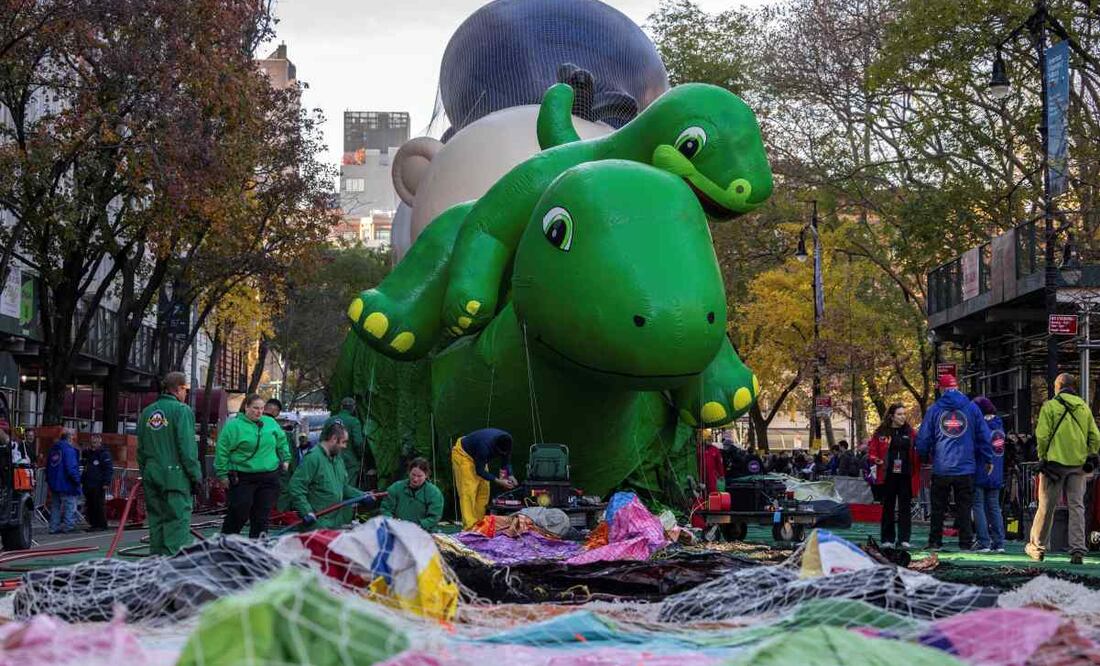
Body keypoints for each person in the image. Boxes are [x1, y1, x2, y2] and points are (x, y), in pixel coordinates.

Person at [1027, 373, 1100, 564]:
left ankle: (1038, 548)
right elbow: (1095, 436)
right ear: (1074, 388)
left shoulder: (1050, 407)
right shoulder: (1084, 408)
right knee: (1077, 506)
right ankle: (1077, 550)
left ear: (1057, 387)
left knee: (1046, 506)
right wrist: (1091, 454)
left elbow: (1042, 435)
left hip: (1054, 465)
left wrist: (1042, 457)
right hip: (1078, 465)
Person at [916, 375, 993, 551]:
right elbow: (984, 435)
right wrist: (987, 458)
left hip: (942, 467)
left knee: (938, 508)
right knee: (964, 508)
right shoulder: (972, 408)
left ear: (940, 388)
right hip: (966, 467)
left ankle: (935, 541)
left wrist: (923, 456)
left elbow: (923, 438)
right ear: (957, 386)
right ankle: (965, 543)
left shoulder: (934, 409)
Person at [138, 372, 203, 555]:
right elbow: (188, 449)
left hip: (152, 473)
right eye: (185, 390)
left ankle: (155, 568)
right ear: (178, 389)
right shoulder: (182, 411)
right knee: (177, 524)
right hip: (175, 476)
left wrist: (146, 471)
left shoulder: (147, 412)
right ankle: (173, 569)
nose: (186, 394)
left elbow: (140, 449)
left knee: (156, 523)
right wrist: (195, 476)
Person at [216, 393, 291, 538]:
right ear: (246, 407)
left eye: (262, 408)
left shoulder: (270, 423)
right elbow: (222, 450)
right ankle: (226, 543)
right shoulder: (234, 426)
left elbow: (282, 440)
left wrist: (286, 459)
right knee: (239, 512)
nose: (259, 412)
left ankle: (257, 548)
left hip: (268, 477)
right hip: (243, 476)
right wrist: (222, 474)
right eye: (255, 408)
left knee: (261, 516)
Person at [288, 422, 371, 529]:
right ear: (333, 438)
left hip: (336, 523)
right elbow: (296, 487)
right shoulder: (313, 458)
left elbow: (343, 487)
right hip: (318, 524)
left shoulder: (337, 459)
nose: (345, 446)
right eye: (343, 442)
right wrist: (306, 511)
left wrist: (362, 496)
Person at [868, 404, 921, 548]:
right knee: (888, 507)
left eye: (904, 414)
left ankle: (904, 539)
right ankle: (887, 539)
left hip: (906, 475)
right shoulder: (881, 432)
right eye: (899, 414)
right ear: (891, 416)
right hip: (888, 475)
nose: (903, 417)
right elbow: (872, 450)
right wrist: (875, 459)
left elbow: (918, 449)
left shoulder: (911, 432)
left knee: (905, 507)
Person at [451, 427, 516, 529]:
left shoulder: (508, 441)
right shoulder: (484, 447)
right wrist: (499, 481)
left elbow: (506, 461)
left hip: (479, 457)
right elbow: (480, 471)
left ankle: (479, 524)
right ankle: (470, 527)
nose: (501, 455)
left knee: (484, 491)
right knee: (469, 491)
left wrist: (510, 475)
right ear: (495, 447)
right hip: (464, 455)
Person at [971, 396, 1006, 554]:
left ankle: (983, 541)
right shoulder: (999, 425)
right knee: (994, 507)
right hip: (996, 472)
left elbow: (977, 448)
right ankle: (999, 542)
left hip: (980, 469)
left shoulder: (979, 426)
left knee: (978, 505)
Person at [380, 457, 445, 532]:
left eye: (419, 476)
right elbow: (385, 509)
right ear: (409, 472)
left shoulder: (434, 493)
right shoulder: (396, 488)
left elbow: (434, 517)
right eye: (413, 475)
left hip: (423, 533)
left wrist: (418, 525)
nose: (415, 479)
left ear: (426, 475)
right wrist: (392, 522)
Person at [324, 398, 369, 489]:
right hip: (350, 462)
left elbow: (322, 440)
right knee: (347, 488)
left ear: (341, 407)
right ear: (353, 408)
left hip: (330, 460)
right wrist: (361, 456)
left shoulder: (330, 420)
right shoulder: (354, 422)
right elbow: (358, 443)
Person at [46, 428, 81, 534]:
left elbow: (48, 466)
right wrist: (77, 480)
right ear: (70, 438)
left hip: (54, 482)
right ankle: (68, 526)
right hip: (66, 483)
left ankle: (54, 527)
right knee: (69, 504)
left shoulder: (54, 449)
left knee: (55, 506)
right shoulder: (68, 450)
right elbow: (71, 468)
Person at [81, 434, 114, 532]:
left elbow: (108, 469)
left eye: (95, 442)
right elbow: (85, 466)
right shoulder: (88, 453)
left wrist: (106, 482)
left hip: (98, 484)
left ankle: (101, 524)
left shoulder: (104, 454)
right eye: (92, 442)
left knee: (98, 505)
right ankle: (93, 524)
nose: (93, 444)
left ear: (99, 442)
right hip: (88, 483)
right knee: (90, 504)